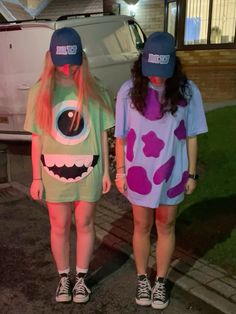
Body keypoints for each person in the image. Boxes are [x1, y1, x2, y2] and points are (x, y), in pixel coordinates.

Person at [114, 32, 208, 310]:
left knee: (166, 227)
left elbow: (192, 136)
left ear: (173, 64)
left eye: (162, 71)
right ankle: (143, 278)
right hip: (139, 174)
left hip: (172, 173)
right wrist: (120, 172)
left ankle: (161, 281)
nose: (157, 78)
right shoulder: (128, 91)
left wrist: (191, 174)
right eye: (152, 71)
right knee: (141, 226)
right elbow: (120, 136)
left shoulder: (187, 91)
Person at [24, 27, 114, 304]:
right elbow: (37, 139)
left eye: (72, 62)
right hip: (53, 169)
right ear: (50, 57)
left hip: (90, 167)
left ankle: (82, 280)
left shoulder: (94, 87)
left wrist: (107, 172)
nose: (67, 68)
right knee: (59, 225)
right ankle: (64, 278)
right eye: (61, 62)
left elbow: (101, 132)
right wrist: (36, 178)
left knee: (85, 223)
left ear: (81, 58)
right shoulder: (40, 90)